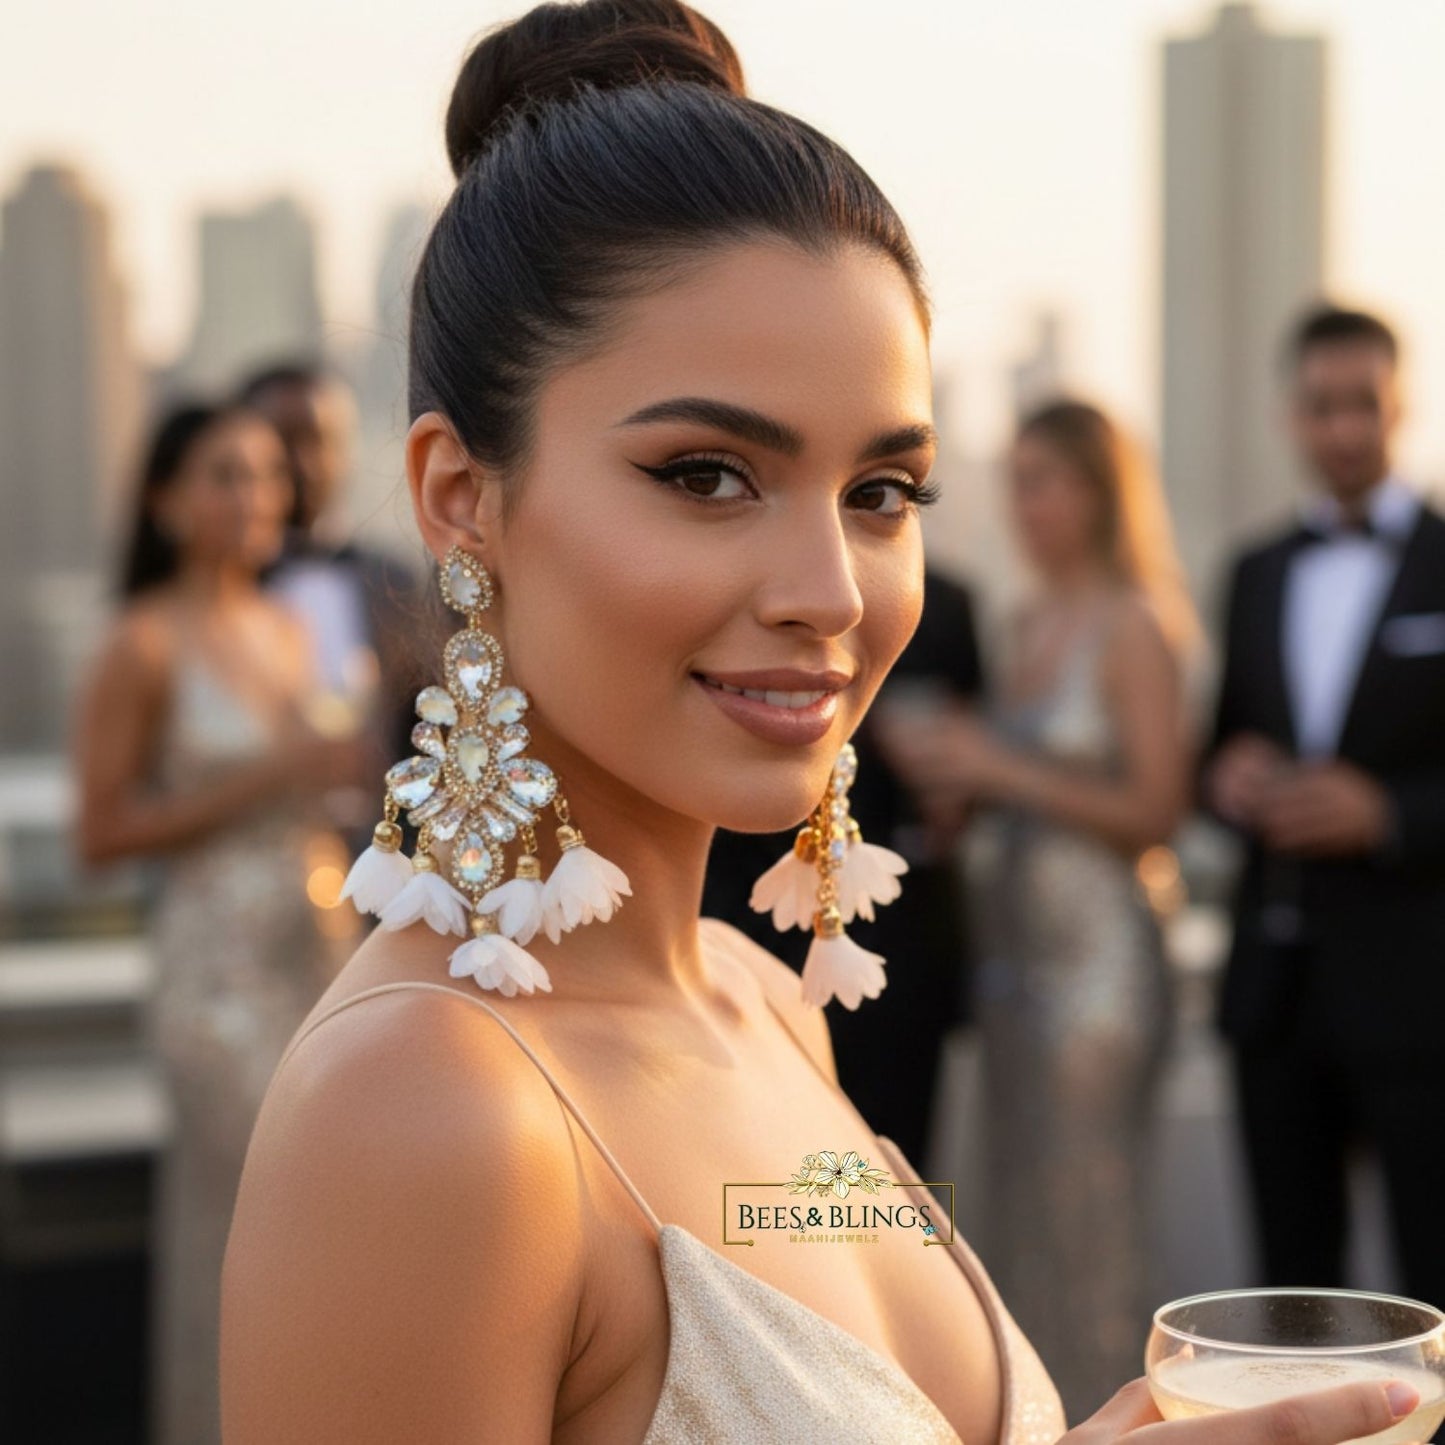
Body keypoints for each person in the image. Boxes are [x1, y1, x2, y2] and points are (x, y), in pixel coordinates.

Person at [220, 6, 1426, 1442]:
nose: (830, 593)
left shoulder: (763, 1001)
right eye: (709, 474)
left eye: (883, 492)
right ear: (462, 498)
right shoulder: (423, 1112)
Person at [875, 399, 1195, 1421]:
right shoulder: (1022, 622)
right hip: (1009, 965)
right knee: (1014, 1217)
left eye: (1044, 478)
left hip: (1096, 968)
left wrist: (991, 763)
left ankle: (1119, 1415)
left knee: (1086, 1219)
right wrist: (956, 789)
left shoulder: (1132, 622)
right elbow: (1009, 789)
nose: (1024, 503)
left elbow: (1153, 808)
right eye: (1013, 478)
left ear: (1100, 493)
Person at [70, 400, 368, 1445]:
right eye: (226, 475)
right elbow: (98, 832)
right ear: (166, 497)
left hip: (325, 946)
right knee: (255, 1219)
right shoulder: (142, 641)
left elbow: (333, 775)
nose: (255, 497)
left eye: (268, 475)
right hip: (215, 977)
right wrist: (264, 776)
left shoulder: (301, 623)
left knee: (341, 1214)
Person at [1203, 304, 1445, 1318]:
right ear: (1288, 415)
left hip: (1421, 995)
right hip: (1273, 991)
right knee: (1287, 1292)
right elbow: (1210, 749)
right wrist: (1226, 779)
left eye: (1362, 405)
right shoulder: (1252, 572)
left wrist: (1383, 813)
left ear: (1400, 407)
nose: (1341, 428)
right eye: (1319, 406)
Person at [702, 566, 986, 1167]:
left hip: (894, 944)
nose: (833, 605)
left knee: (884, 1183)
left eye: (883, 496)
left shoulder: (946, 601)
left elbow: (970, 763)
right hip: (733, 911)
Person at [238, 360, 423, 856]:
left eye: (319, 440)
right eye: (283, 443)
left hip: (385, 872)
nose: (304, 463)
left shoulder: (399, 583)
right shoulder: (211, 595)